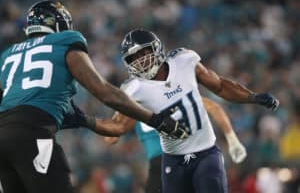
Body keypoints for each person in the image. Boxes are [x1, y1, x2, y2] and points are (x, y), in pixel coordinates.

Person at [0, 1, 187, 193]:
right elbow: (106, 93)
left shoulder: (7, 55)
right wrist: (157, 120)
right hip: (34, 135)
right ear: (57, 23)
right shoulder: (65, 41)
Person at [101, 29, 279, 193]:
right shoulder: (134, 90)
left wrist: (251, 97)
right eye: (133, 58)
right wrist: (90, 121)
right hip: (172, 160)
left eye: (143, 53)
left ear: (156, 49)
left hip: (205, 152)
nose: (139, 61)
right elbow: (114, 132)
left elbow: (220, 87)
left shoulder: (184, 61)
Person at [102, 96, 247, 193]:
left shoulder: (135, 104)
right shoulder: (178, 93)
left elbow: (110, 139)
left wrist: (117, 114)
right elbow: (215, 107)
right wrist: (232, 139)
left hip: (161, 165)